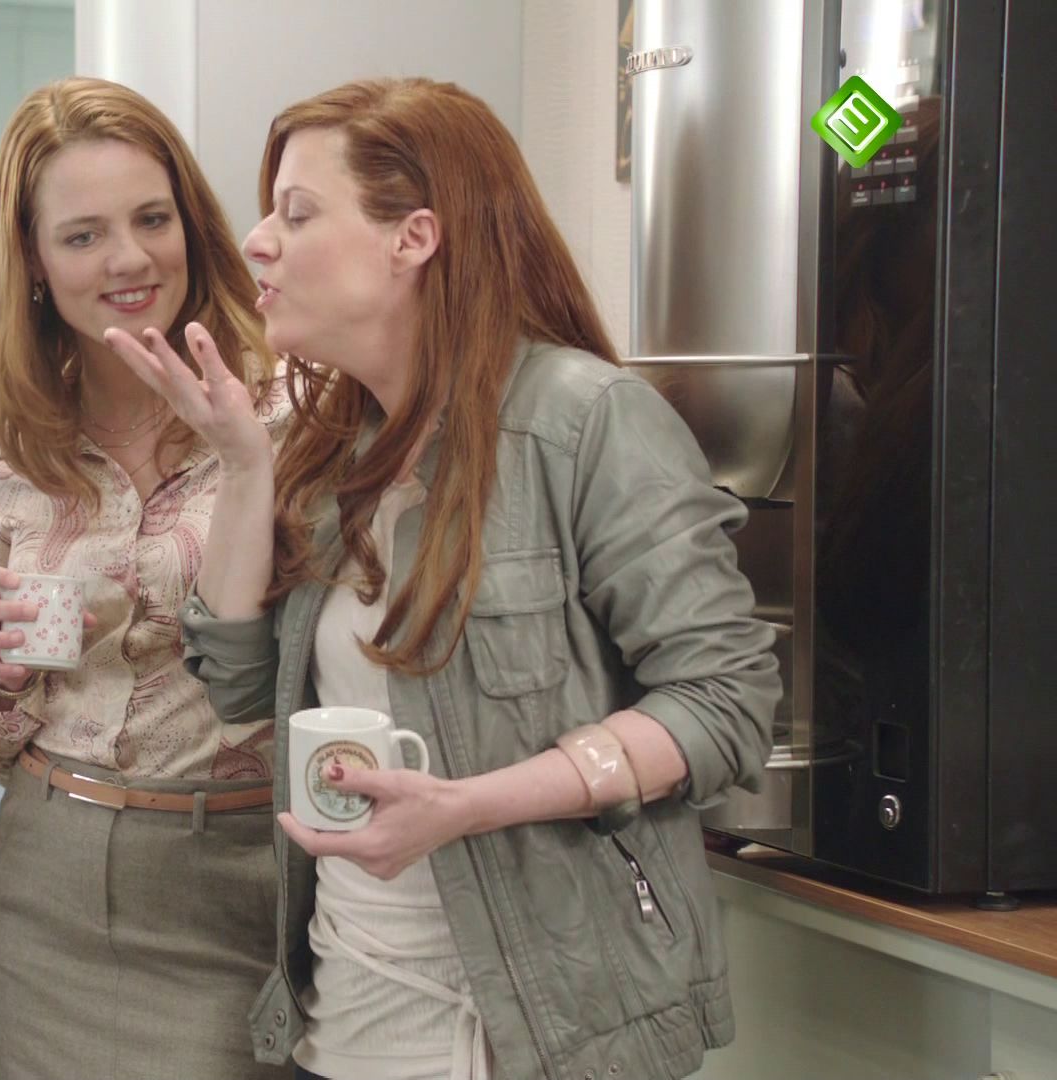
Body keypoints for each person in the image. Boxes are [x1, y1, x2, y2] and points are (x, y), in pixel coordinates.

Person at [109, 79, 779, 1080]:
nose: (257, 243)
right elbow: (244, 693)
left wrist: (470, 804)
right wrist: (245, 469)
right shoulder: (329, 450)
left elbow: (726, 703)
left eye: (298, 213)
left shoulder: (585, 421)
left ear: (413, 238)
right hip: (350, 1022)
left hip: (542, 1033)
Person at [0, 76, 292, 1080]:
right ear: (33, 259)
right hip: (47, 886)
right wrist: (2, 679)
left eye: (152, 219)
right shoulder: (5, 463)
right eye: (84, 235)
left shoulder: (296, 416)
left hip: (243, 870)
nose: (130, 259)